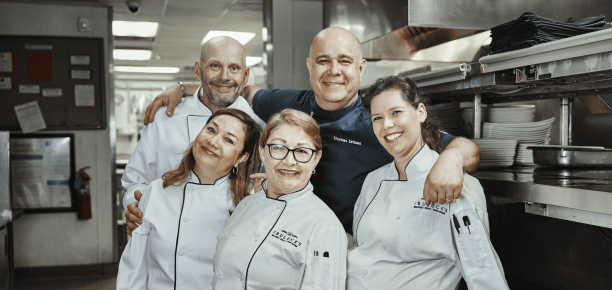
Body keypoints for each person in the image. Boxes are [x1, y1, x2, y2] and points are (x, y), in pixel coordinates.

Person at [140, 27, 481, 234]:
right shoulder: (289, 102)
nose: (334, 71)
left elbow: (466, 148)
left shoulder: (380, 121)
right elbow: (236, 88)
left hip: (351, 249)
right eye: (323, 61)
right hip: (288, 243)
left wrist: (451, 160)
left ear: (361, 69)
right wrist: (186, 87)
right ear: (309, 66)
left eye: (345, 61)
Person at [340, 76, 565, 290]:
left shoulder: (454, 183)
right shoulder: (374, 180)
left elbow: (479, 264)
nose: (387, 126)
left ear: (420, 113)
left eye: (396, 113)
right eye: (377, 118)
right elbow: (363, 246)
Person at [105, 109, 262, 290]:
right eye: (211, 129)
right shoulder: (155, 193)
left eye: (228, 139)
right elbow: (133, 270)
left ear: (242, 157)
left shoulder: (247, 205)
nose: (213, 140)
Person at [208, 109, 347, 290]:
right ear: (262, 152)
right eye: (278, 148)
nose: (289, 161)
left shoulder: (323, 226)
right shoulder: (246, 206)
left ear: (316, 159)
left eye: (302, 151)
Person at [123, 36, 265, 236]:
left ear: (246, 74)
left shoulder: (260, 124)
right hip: (167, 241)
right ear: (198, 70)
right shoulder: (165, 117)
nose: (225, 76)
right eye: (215, 65)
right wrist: (136, 207)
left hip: (233, 241)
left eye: (234, 68)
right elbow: (135, 181)